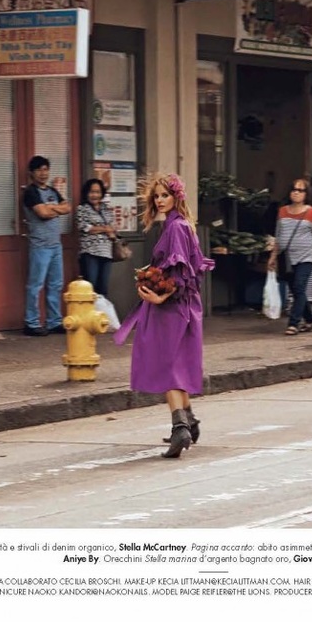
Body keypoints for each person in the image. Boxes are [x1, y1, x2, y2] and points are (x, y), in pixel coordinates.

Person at [114, 173, 214, 459]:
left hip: (173, 308)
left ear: (176, 196)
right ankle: (189, 421)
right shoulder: (177, 225)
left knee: (166, 365)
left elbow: (182, 272)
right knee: (176, 364)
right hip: (181, 306)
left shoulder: (176, 227)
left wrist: (160, 296)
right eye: (156, 196)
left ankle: (180, 427)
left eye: (164, 195)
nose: (159, 200)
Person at [268, 179, 312, 336]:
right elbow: (278, 235)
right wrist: (273, 256)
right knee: (296, 290)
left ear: (306, 194)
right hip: (286, 258)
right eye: (294, 189)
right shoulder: (282, 211)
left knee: (299, 287)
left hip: (305, 257)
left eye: (300, 190)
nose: (296, 193)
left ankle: (293, 323)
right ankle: (310, 320)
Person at [22, 155, 72, 336]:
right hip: (40, 246)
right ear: (31, 173)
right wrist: (54, 209)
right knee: (35, 285)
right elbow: (42, 213)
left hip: (55, 245)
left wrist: (51, 208)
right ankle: (31, 323)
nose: (43, 173)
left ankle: (54, 321)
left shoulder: (52, 191)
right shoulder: (30, 192)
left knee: (55, 284)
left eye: (45, 169)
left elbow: (67, 208)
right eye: (39, 170)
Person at [75, 178, 117, 297]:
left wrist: (100, 228)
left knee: (103, 287)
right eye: (92, 192)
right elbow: (84, 227)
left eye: (98, 192)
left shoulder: (106, 209)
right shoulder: (82, 209)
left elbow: (113, 227)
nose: (95, 195)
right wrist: (105, 229)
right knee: (90, 287)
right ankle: (89, 309)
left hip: (106, 253)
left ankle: (101, 309)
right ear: (86, 193)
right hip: (90, 253)